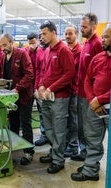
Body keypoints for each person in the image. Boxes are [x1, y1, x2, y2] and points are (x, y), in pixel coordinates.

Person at [71, 24, 111, 181]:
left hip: (106, 105)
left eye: (106, 36)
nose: (103, 39)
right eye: (103, 36)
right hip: (94, 106)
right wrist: (92, 99)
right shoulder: (98, 58)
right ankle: (90, 169)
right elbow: (87, 80)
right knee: (92, 139)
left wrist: (100, 99)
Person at [37, 20, 75, 173]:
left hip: (59, 98)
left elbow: (69, 74)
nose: (42, 37)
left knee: (59, 130)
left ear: (53, 32)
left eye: (45, 34)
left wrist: (51, 88)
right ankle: (54, 152)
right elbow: (43, 71)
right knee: (48, 128)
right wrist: (40, 85)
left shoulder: (64, 50)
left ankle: (58, 160)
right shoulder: (47, 51)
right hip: (46, 97)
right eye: (41, 34)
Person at [71, 13, 103, 162]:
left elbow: (100, 72)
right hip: (81, 92)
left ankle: (90, 156)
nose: (82, 29)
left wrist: (95, 96)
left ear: (94, 26)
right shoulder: (86, 43)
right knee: (82, 126)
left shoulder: (97, 44)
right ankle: (84, 151)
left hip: (90, 96)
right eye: (81, 26)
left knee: (90, 128)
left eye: (85, 27)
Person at [0, 33, 35, 165]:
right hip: (11, 97)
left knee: (25, 123)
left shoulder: (22, 54)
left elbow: (29, 74)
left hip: (24, 95)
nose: (3, 48)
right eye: (1, 45)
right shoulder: (4, 57)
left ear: (11, 42)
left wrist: (17, 88)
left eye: (5, 45)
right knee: (13, 123)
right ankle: (14, 148)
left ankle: (28, 152)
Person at [25, 32, 48, 147]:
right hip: (29, 87)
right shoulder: (26, 52)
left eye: (33, 42)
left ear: (38, 41)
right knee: (38, 112)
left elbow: (41, 71)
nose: (31, 45)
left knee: (43, 112)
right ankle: (44, 134)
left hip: (39, 87)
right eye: (29, 43)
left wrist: (39, 87)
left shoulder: (42, 53)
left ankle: (45, 135)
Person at [63, 25, 83, 158]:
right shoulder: (65, 49)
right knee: (66, 119)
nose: (67, 36)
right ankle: (67, 144)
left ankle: (74, 147)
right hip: (64, 90)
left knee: (73, 120)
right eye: (65, 34)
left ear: (76, 34)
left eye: (70, 33)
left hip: (74, 90)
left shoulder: (79, 50)